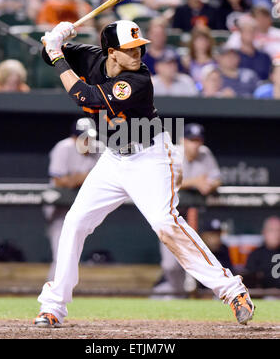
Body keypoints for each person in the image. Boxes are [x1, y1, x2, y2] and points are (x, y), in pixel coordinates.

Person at [33, 19, 254, 327]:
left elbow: (86, 96)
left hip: (149, 156)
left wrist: (57, 55)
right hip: (113, 159)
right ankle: (53, 307)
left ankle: (233, 291)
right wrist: (55, 40)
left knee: (165, 222)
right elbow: (49, 55)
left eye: (140, 47)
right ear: (111, 53)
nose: (139, 53)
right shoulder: (89, 56)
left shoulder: (138, 79)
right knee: (74, 222)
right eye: (131, 49)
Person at [153, 123, 223, 298]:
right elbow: (163, 180)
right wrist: (195, 182)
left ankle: (210, 294)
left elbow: (216, 179)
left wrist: (209, 184)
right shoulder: (173, 152)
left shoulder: (205, 154)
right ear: (183, 140)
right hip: (172, 216)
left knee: (205, 256)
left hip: (197, 217)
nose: (195, 144)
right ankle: (178, 294)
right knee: (170, 265)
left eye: (198, 140)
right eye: (191, 140)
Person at [43, 119, 100, 280]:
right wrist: (87, 177)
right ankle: (52, 293)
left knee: (70, 255)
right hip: (59, 210)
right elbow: (60, 181)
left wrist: (77, 178)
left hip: (83, 209)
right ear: (74, 137)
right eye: (83, 138)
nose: (88, 142)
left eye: (90, 138)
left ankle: (55, 292)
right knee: (62, 254)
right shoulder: (64, 147)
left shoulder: (97, 150)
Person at [243, 216, 280, 289]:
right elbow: (249, 280)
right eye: (272, 230)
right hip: (263, 297)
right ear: (264, 232)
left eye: (278, 230)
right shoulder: (255, 255)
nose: (276, 234)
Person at [236, 14, 272, 81]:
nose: (249, 34)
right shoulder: (234, 56)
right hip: (240, 90)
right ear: (240, 33)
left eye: (252, 31)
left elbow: (269, 77)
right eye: (246, 31)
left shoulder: (264, 56)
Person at [182, 26, 217, 90]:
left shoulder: (215, 61)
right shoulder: (187, 62)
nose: (202, 43)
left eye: (204, 40)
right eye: (199, 40)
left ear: (209, 42)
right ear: (193, 42)